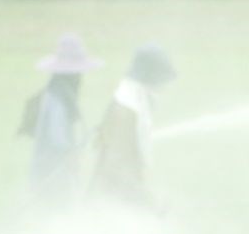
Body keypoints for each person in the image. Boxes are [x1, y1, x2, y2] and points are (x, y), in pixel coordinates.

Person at [90, 44, 175, 210]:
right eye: (161, 78)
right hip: (114, 201)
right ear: (152, 76)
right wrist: (148, 202)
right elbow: (117, 168)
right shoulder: (126, 111)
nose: (164, 86)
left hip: (120, 195)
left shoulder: (132, 101)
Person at [19, 34, 99, 208]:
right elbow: (58, 139)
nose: (80, 77)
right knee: (53, 215)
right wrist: (71, 155)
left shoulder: (58, 92)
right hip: (51, 178)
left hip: (50, 176)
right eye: (78, 73)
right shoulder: (57, 99)